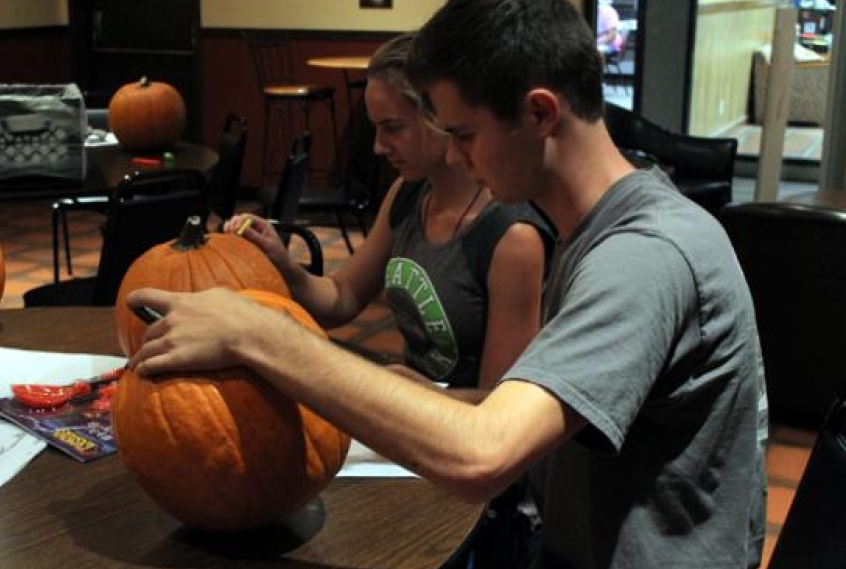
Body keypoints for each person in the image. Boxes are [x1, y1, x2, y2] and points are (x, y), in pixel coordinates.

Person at [126, 1, 768, 567]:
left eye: (464, 135)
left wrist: (262, 334)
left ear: (539, 113)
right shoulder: (593, 225)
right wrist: (414, 393)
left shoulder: (647, 256)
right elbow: (528, 413)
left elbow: (482, 459)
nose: (455, 157)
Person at [223, 32, 552, 393]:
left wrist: (405, 394)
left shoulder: (513, 238)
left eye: (393, 128)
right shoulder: (407, 193)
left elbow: (501, 409)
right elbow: (342, 296)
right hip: (412, 411)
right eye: (376, 129)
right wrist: (283, 264)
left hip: (456, 434)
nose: (379, 147)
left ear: (441, 116)